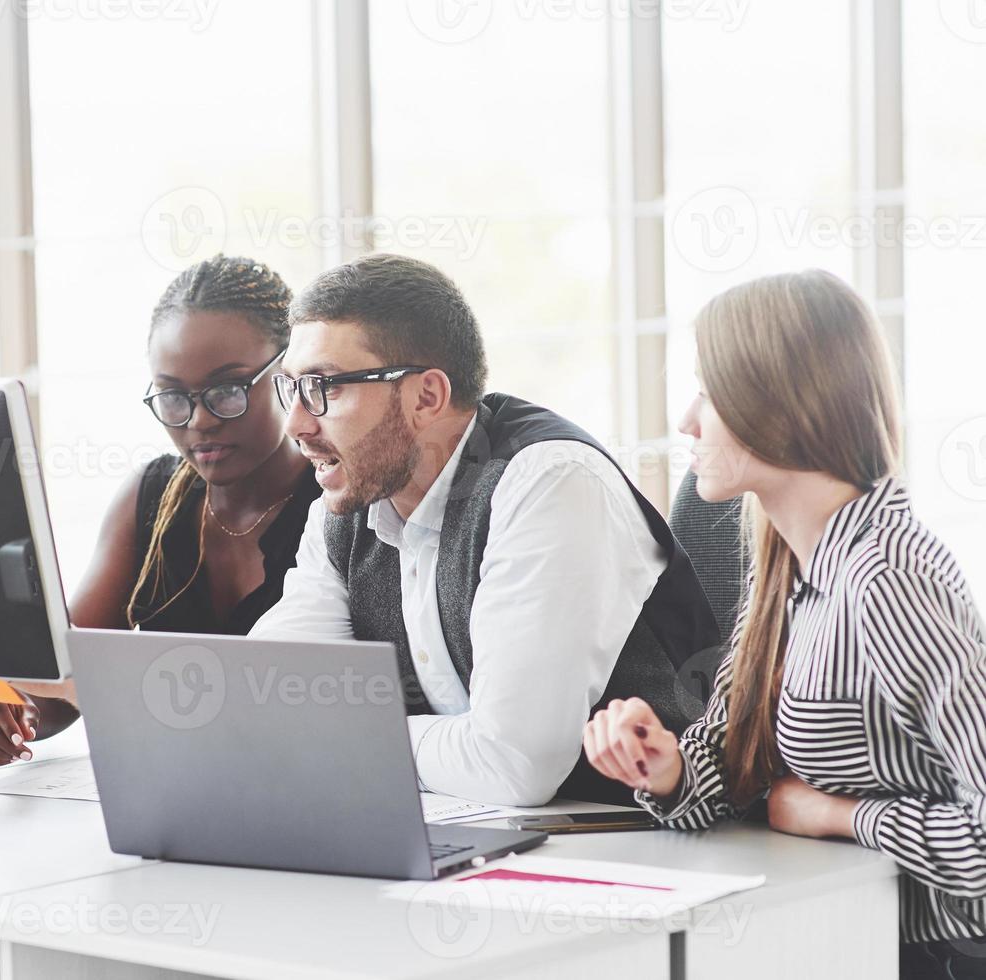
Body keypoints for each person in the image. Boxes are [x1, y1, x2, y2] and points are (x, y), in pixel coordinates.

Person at [582, 269, 986, 979]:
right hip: (847, 934)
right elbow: (736, 773)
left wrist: (839, 815)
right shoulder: (786, 565)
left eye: (709, 391)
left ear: (777, 404)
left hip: (937, 955)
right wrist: (667, 767)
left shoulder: (890, 580)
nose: (687, 420)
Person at [245, 253, 719, 805]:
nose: (298, 424)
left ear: (426, 397)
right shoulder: (346, 507)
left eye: (325, 387)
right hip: (467, 831)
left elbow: (513, 765)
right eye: (292, 388)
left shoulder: (549, 482)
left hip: (641, 847)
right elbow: (271, 703)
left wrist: (350, 738)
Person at [0, 255, 319, 765]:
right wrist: (11, 709)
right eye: (173, 397)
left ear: (287, 371)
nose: (199, 421)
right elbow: (65, 673)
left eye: (227, 390)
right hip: (175, 789)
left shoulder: (336, 503)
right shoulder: (152, 497)